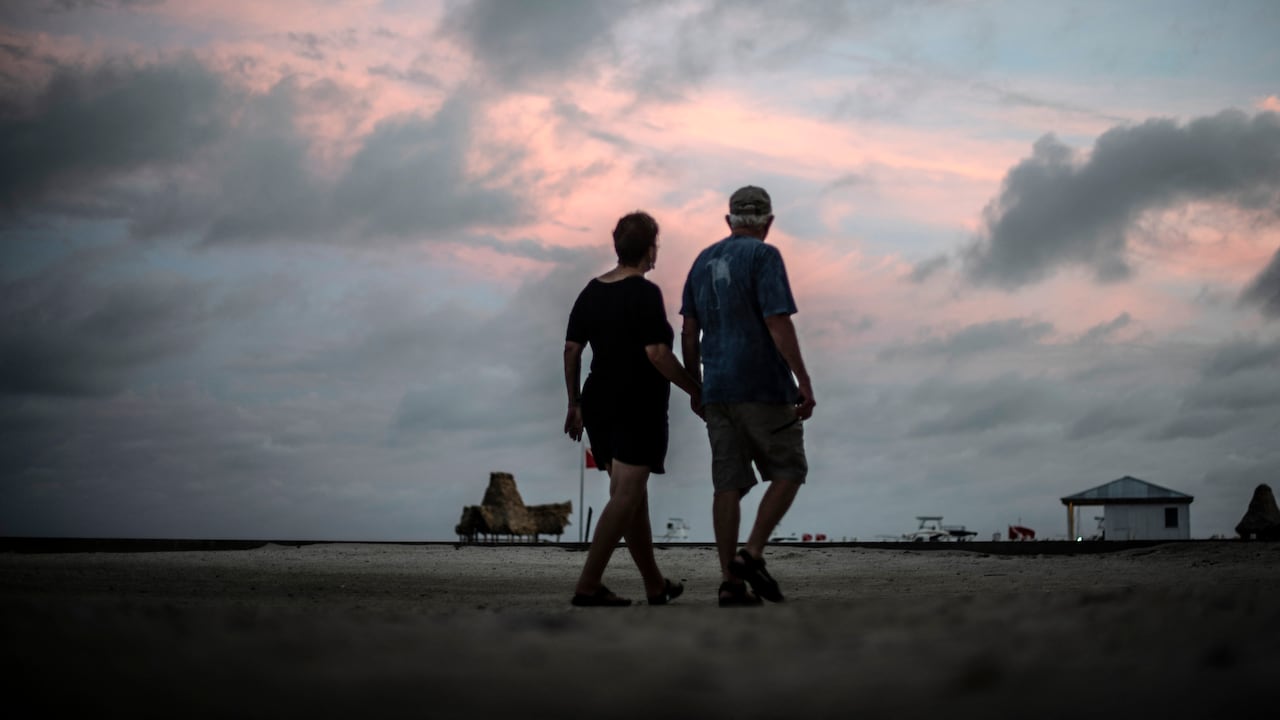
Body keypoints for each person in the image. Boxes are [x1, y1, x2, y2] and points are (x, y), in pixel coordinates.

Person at [679, 185, 816, 607]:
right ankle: (751, 554)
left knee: (728, 484)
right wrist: (803, 380)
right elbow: (777, 321)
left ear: (729, 222)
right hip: (761, 385)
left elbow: (688, 330)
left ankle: (729, 583)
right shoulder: (765, 257)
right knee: (789, 469)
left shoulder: (701, 261)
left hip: (717, 388)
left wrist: (695, 385)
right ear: (768, 222)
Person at [563, 210, 704, 607]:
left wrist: (573, 403)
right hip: (636, 404)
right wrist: (697, 390)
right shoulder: (644, 292)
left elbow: (572, 349)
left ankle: (655, 585)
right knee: (626, 494)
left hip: (598, 403)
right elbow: (658, 354)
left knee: (632, 496)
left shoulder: (591, 291)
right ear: (649, 248)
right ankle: (588, 585)